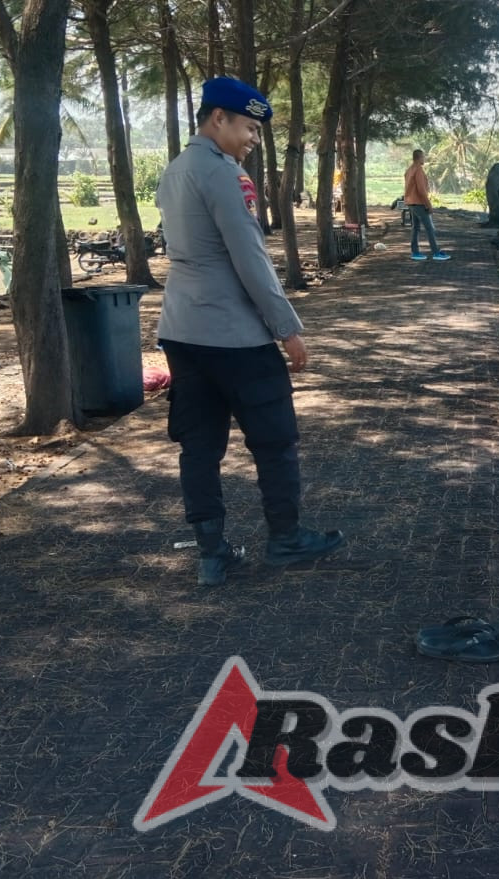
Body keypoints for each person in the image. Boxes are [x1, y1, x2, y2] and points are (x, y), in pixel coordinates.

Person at [155, 75, 345, 586]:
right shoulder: (224, 174)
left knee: (200, 444)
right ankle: (285, 538)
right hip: (234, 333)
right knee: (275, 438)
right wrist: (288, 327)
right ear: (218, 118)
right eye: (248, 128)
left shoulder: (175, 170)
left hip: (181, 328)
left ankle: (211, 553)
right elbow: (250, 257)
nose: (253, 140)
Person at [403, 149, 450, 261]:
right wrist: (428, 205)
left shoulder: (409, 170)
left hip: (410, 202)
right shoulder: (418, 170)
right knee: (429, 228)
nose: (424, 159)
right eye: (423, 157)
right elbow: (421, 190)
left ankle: (415, 252)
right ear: (419, 158)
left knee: (415, 228)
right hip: (419, 203)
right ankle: (436, 253)